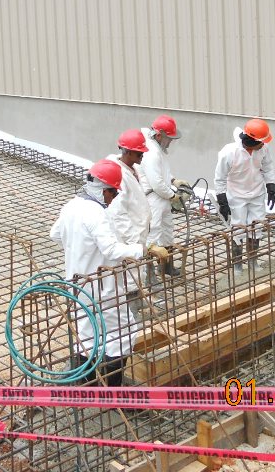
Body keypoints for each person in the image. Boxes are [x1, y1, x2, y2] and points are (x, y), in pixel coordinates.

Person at [50, 159, 168, 386]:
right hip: (102, 288)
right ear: (103, 190)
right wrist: (145, 249)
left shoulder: (71, 206)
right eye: (112, 193)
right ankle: (112, 391)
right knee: (123, 333)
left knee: (86, 335)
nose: (113, 199)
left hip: (77, 283)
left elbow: (55, 234)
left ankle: (87, 387)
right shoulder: (95, 213)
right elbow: (112, 250)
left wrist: (80, 250)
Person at [214, 118, 275, 272]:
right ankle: (237, 265)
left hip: (257, 193)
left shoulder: (263, 148)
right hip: (236, 196)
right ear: (252, 140)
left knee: (257, 227)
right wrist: (222, 200)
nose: (264, 144)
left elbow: (268, 167)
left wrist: (270, 187)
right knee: (238, 229)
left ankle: (253, 262)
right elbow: (220, 178)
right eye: (261, 141)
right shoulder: (229, 152)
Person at [108, 129, 152, 305]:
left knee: (136, 273)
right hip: (128, 235)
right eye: (138, 152)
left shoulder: (133, 168)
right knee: (130, 276)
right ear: (127, 151)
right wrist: (133, 241)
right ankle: (131, 312)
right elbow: (118, 213)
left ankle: (136, 306)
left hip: (138, 230)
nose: (142, 154)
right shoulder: (118, 174)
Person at [137, 114, 184, 278]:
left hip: (162, 197)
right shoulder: (151, 153)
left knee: (167, 232)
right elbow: (156, 182)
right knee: (154, 233)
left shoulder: (158, 150)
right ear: (159, 135)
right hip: (153, 198)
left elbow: (162, 173)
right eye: (168, 138)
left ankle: (166, 267)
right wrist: (173, 195)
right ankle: (151, 275)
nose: (170, 141)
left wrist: (173, 180)